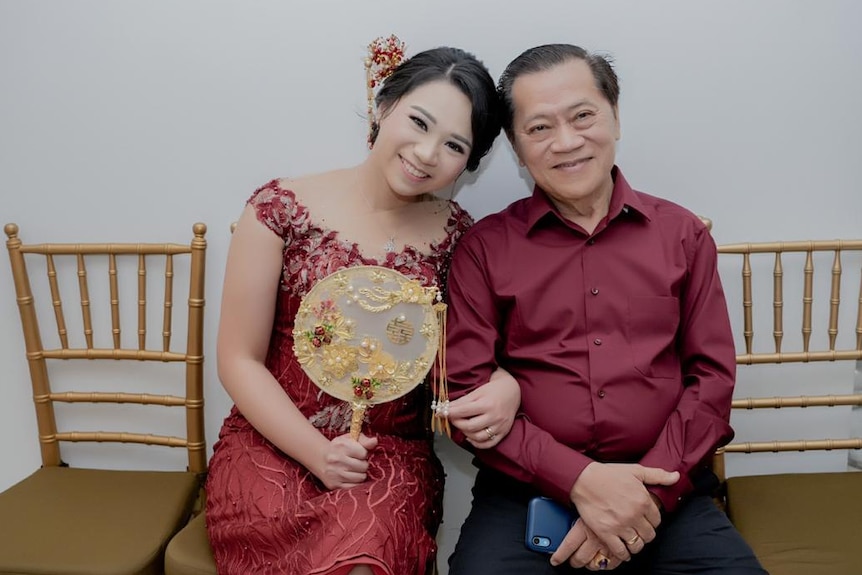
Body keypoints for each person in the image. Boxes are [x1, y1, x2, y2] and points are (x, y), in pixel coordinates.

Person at [444, 44, 767, 574]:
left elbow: (711, 381)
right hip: (525, 493)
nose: (567, 142)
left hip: (667, 488)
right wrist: (580, 479)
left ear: (615, 116)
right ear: (516, 145)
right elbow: (466, 397)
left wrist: (641, 495)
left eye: (583, 116)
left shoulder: (682, 235)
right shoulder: (484, 249)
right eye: (540, 128)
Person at [206, 45, 520, 575]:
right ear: (383, 105)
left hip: (387, 453)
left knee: (365, 552)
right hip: (271, 442)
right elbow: (238, 359)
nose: (426, 153)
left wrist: (506, 384)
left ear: (470, 162)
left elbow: (462, 360)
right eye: (418, 122)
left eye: (453, 145)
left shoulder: (459, 237)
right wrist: (315, 452)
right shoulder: (280, 208)